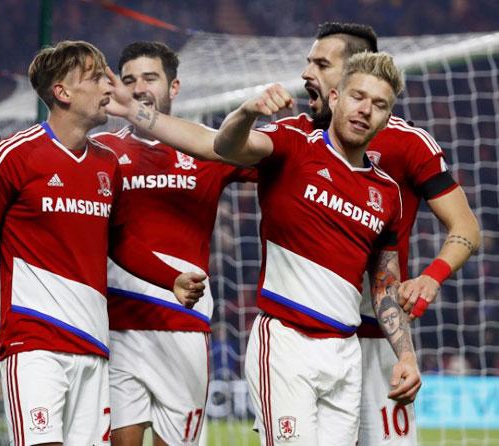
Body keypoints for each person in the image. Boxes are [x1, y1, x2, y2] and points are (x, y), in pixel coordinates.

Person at [110, 50, 421, 444]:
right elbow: (217, 145)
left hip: (345, 353)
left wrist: (406, 354)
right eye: (358, 96)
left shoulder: (386, 194)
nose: (365, 110)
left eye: (379, 105)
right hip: (287, 342)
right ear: (336, 97)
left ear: (388, 117)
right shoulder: (293, 143)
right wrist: (246, 113)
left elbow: (385, 285)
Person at [0, 41, 206, 446]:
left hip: (94, 350)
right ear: (62, 92)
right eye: (97, 78)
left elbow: (120, 241)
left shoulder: (106, 164)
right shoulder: (10, 157)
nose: (109, 88)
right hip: (34, 347)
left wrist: (172, 278)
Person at [283, 22, 480, 445]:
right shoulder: (297, 136)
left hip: (377, 334)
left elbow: (466, 227)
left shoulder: (407, 143)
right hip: (305, 333)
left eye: (321, 63)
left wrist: (432, 276)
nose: (307, 74)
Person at [91, 41, 255, 446]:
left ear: (174, 87)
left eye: (150, 78)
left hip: (184, 326)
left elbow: (280, 165)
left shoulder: (208, 148)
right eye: (128, 80)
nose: (139, 87)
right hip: (118, 327)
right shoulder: (101, 151)